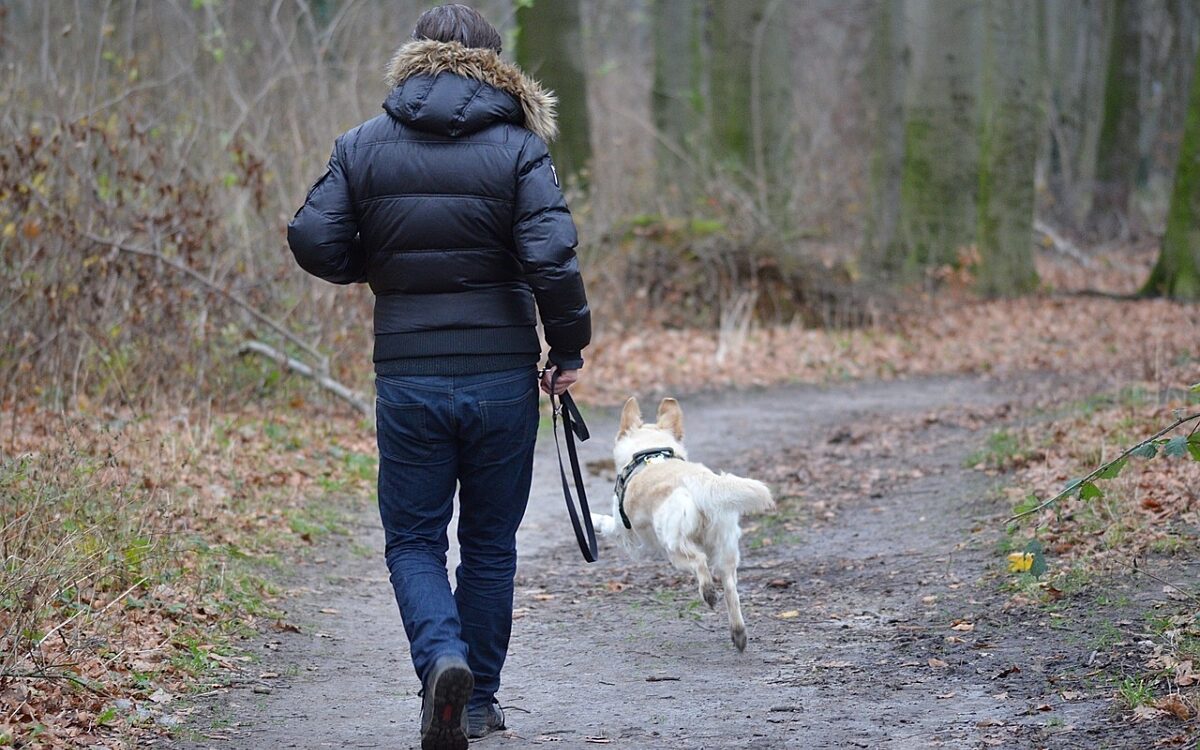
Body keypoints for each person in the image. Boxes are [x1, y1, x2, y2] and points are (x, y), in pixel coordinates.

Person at [286, 5, 591, 749]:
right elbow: (551, 257)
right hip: (500, 375)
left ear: (415, 57)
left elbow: (312, 236)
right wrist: (569, 347)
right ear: (496, 64)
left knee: (415, 541)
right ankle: (477, 699)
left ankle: (440, 662)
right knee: (489, 543)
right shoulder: (520, 149)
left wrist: (381, 268)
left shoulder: (363, 144)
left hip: (410, 373)